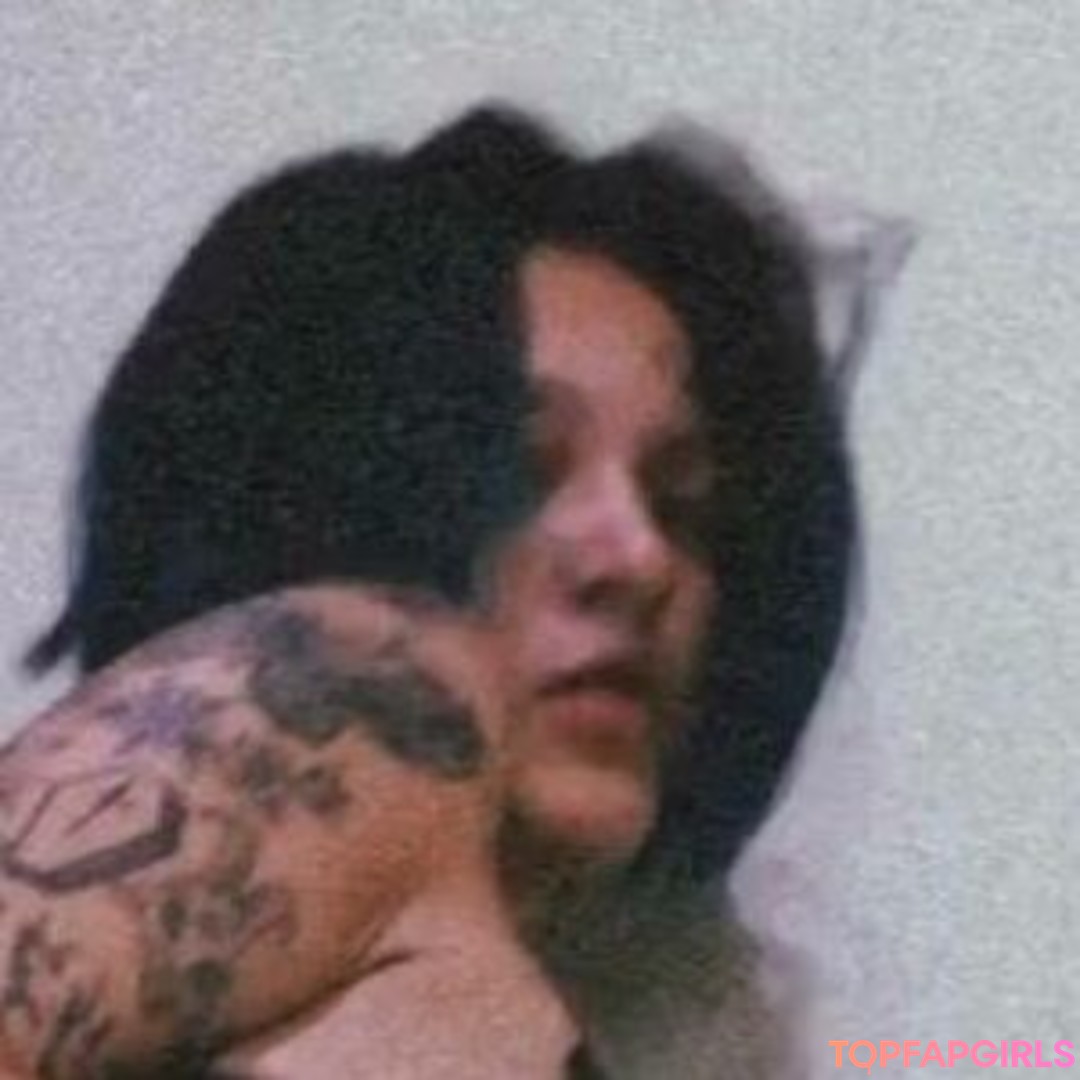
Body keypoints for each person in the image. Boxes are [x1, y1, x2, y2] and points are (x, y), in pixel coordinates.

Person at [0, 105, 855, 1078]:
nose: (637, 558)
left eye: (683, 503)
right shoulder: (353, 692)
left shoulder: (645, 987)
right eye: (526, 468)